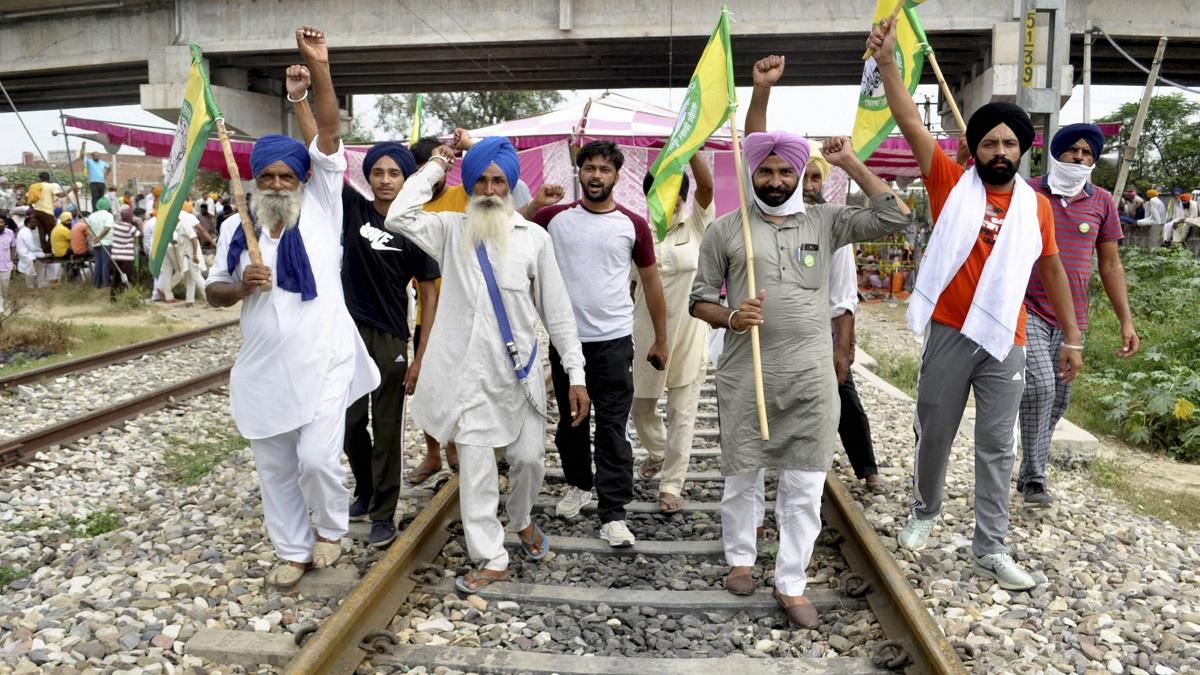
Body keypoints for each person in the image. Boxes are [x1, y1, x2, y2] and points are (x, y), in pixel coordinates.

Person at [869, 18, 1083, 591]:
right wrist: (889, 63)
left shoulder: (1035, 208)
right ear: (974, 148)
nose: (999, 150)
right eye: (989, 141)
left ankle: (991, 546)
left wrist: (1072, 336)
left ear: (1021, 150)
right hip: (949, 332)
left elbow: (1053, 268)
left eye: (1009, 142)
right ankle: (924, 512)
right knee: (934, 431)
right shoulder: (948, 181)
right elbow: (910, 120)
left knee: (996, 444)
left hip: (1006, 340)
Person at [690, 127, 912, 627]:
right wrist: (730, 316)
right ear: (752, 174)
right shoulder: (727, 229)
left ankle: (791, 581)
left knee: (805, 481)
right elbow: (698, 299)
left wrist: (851, 162)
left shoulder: (827, 221)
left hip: (811, 375)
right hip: (748, 373)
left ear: (799, 175)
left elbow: (896, 215)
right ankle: (741, 559)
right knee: (743, 472)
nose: (775, 179)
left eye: (785, 170)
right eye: (765, 171)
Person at [204, 26, 380, 589]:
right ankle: (292, 548)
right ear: (254, 180)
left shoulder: (324, 207)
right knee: (276, 468)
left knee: (318, 462)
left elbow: (328, 132)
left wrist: (317, 72)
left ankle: (330, 530)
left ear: (302, 178)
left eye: (287, 174)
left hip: (325, 361)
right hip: (262, 369)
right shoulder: (237, 227)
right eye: (268, 175)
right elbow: (212, 292)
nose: (278, 183)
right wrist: (242, 287)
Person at [384, 136, 589, 593]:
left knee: (529, 462)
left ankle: (520, 520)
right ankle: (490, 556)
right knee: (476, 473)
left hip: (520, 379)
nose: (491, 189)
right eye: (481, 180)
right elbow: (398, 215)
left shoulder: (534, 239)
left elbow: (557, 313)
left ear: (512, 185)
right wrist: (438, 164)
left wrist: (576, 375)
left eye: (499, 180)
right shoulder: (450, 230)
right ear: (470, 184)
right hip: (466, 378)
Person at [289, 64, 441, 549]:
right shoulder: (352, 208)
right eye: (377, 172)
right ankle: (367, 488)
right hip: (344, 332)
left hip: (391, 336)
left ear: (407, 177)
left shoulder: (416, 228)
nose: (384, 180)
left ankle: (382, 512)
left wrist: (421, 354)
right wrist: (299, 101)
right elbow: (323, 152)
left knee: (388, 428)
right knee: (349, 422)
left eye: (394, 172)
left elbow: (430, 293)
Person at [745, 55, 884, 490]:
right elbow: (755, 144)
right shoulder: (762, 220)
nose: (805, 184)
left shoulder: (830, 222)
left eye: (814, 178)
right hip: (773, 339)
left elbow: (844, 296)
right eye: (794, 175)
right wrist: (762, 90)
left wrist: (843, 349)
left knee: (844, 397)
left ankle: (867, 470)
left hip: (818, 339)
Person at [531, 140, 669, 548]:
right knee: (571, 424)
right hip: (566, 341)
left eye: (603, 170)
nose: (595, 176)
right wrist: (534, 203)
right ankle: (578, 484)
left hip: (612, 342)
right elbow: (509, 232)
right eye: (588, 168)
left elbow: (651, 282)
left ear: (616, 176)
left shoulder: (632, 225)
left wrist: (661, 338)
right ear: (579, 173)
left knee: (611, 426)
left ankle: (614, 513)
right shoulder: (554, 219)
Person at [1017, 124, 1139, 506]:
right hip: (1028, 307)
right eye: (1074, 151)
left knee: (1057, 400)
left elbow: (1111, 265)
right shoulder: (1029, 191)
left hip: (1073, 319)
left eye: (1088, 153)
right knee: (1039, 385)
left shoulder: (1102, 201)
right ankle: (1036, 478)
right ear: (1056, 153)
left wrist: (1126, 320)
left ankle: (1027, 471)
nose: (1081, 159)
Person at [630, 154, 714, 515]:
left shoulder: (695, 225)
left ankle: (670, 485)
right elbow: (630, 286)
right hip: (645, 332)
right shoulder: (638, 232)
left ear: (682, 196)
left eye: (673, 192)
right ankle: (659, 451)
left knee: (683, 411)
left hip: (690, 332)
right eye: (659, 193)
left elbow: (707, 187)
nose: (668, 200)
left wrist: (689, 147)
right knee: (641, 405)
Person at [402, 136, 463, 485]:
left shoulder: (460, 196)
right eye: (423, 168)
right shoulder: (410, 204)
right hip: (425, 313)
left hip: (458, 311)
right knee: (424, 385)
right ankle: (432, 453)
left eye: (435, 167)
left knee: (454, 387)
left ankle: (453, 447)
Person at [174, 203, 208, 306]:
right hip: (187, 256)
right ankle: (189, 300)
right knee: (190, 277)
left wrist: (195, 255)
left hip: (192, 255)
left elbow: (194, 239)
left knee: (197, 277)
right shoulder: (177, 227)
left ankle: (211, 299)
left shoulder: (184, 225)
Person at [26, 171, 64, 254]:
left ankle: (45, 250)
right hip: (47, 212)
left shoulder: (34, 186)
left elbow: (29, 199)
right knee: (52, 232)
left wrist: (32, 208)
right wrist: (71, 188)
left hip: (37, 211)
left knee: (41, 232)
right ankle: (50, 250)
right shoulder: (50, 186)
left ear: (40, 178)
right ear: (48, 178)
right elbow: (61, 195)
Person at [85, 198, 115, 289]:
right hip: (106, 242)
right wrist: (99, 237)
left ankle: (96, 283)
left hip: (95, 243)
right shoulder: (109, 215)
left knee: (98, 262)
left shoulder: (91, 216)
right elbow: (107, 228)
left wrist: (94, 237)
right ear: (108, 206)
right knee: (106, 263)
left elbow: (87, 228)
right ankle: (106, 284)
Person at [109, 207, 138, 298]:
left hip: (115, 256)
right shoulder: (130, 227)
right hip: (126, 257)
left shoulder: (115, 225)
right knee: (125, 277)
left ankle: (113, 296)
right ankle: (123, 296)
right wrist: (138, 224)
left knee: (116, 276)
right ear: (130, 218)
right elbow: (138, 234)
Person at [16, 215, 46, 288]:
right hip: (26, 254)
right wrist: (42, 250)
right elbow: (32, 247)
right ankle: (31, 286)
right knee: (31, 270)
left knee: (40, 264)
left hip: (28, 253)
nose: (36, 224)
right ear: (29, 223)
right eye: (34, 222)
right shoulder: (26, 232)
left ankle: (40, 284)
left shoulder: (25, 230)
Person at [0, 215, 14, 311]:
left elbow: (13, 247)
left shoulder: (10, 233)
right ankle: (1, 309)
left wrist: (12, 261)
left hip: (6, 266)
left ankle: (4, 306)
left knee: (5, 288)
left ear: (5, 224)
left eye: (1, 222)